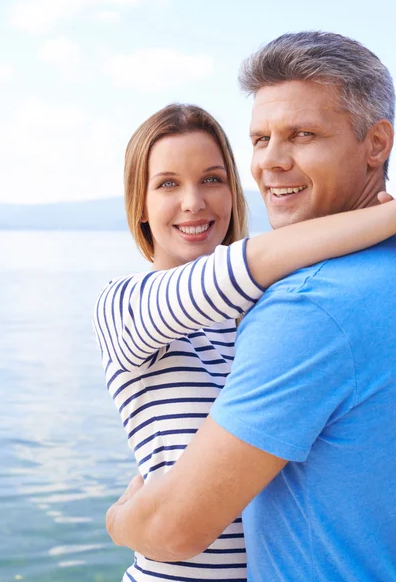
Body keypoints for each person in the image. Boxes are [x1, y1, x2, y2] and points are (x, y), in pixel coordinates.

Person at [95, 86, 396, 582]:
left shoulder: (258, 314)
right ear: (141, 204)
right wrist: (384, 217)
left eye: (212, 179)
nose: (194, 203)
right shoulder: (123, 306)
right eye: (168, 184)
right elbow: (245, 263)